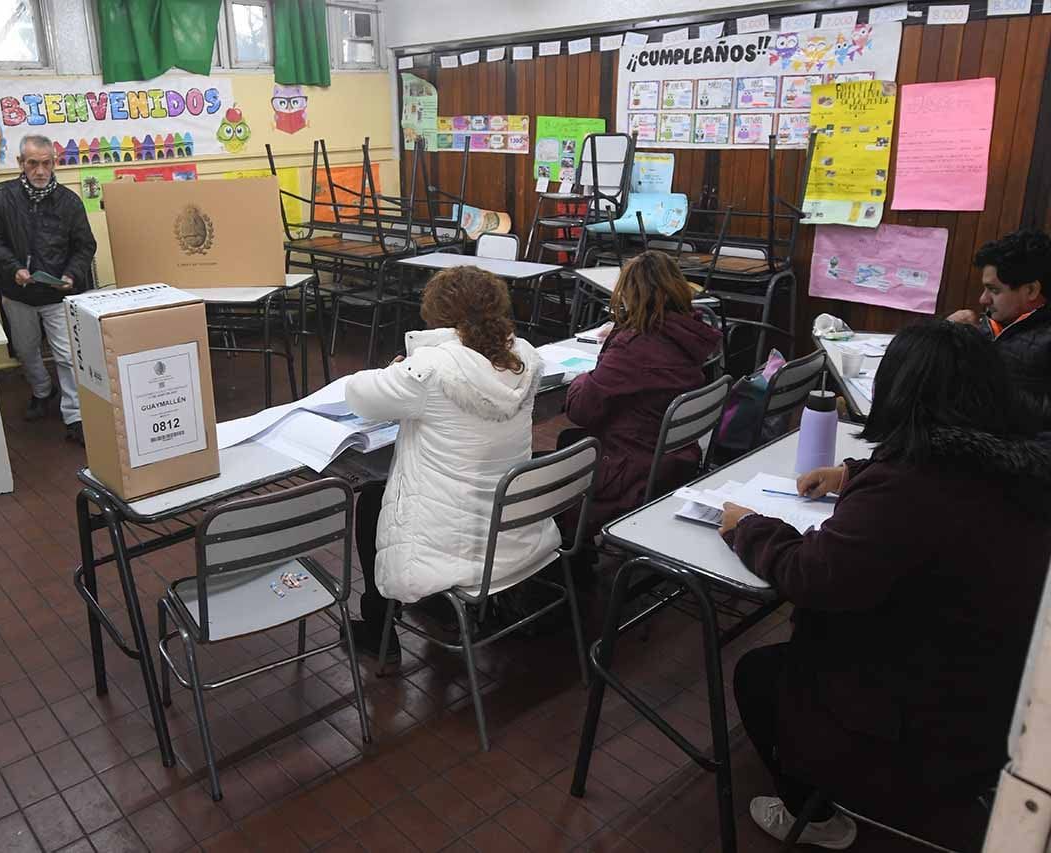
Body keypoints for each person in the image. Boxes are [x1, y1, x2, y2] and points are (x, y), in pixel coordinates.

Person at [719, 320, 1051, 850]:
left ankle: (819, 818)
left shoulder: (908, 491)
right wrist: (854, 473)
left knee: (758, 675)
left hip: (928, 715)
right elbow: (944, 482)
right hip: (1003, 691)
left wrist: (749, 527)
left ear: (899, 393)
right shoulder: (1016, 465)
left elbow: (814, 576)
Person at [343, 266, 561, 662]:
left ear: (436, 315)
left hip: (453, 542)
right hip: (511, 531)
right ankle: (439, 605)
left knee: (374, 498)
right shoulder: (525, 357)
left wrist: (397, 369)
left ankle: (378, 629)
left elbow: (359, 395)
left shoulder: (429, 370)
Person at [563, 251, 721, 552]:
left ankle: (574, 564)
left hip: (631, 468)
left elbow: (581, 409)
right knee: (569, 442)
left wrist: (585, 375)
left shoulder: (634, 348)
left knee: (551, 469)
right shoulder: (690, 333)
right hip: (675, 459)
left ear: (629, 296)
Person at [0, 134, 96, 444]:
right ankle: (43, 392)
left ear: (54, 163)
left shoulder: (69, 202)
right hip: (17, 292)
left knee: (67, 355)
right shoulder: (1, 196)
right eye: (33, 163)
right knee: (26, 350)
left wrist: (72, 274)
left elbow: (85, 246)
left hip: (58, 293)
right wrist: (13, 268)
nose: (41, 170)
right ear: (21, 163)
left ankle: (75, 416)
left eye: (46, 163)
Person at [948, 229, 1051, 426]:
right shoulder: (987, 324)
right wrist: (944, 335)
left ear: (1031, 290)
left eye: (994, 290)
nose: (982, 299)